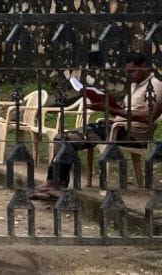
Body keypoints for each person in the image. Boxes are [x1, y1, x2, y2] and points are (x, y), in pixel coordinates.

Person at [31, 52, 162, 200]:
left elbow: (149, 116)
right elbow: (123, 111)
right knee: (61, 137)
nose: (131, 75)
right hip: (116, 127)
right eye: (128, 72)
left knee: (66, 138)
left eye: (133, 71)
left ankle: (58, 185)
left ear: (144, 66)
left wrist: (110, 109)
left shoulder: (156, 86)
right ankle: (52, 182)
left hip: (129, 134)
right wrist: (105, 106)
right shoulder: (134, 86)